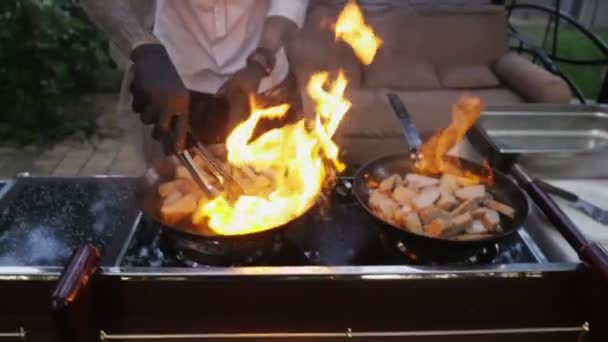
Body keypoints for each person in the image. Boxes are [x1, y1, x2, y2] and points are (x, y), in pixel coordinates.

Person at [81, 0, 310, 158]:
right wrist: (143, 48)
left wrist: (261, 60)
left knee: (281, 188)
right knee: (172, 192)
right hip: (172, 81)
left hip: (265, 83)